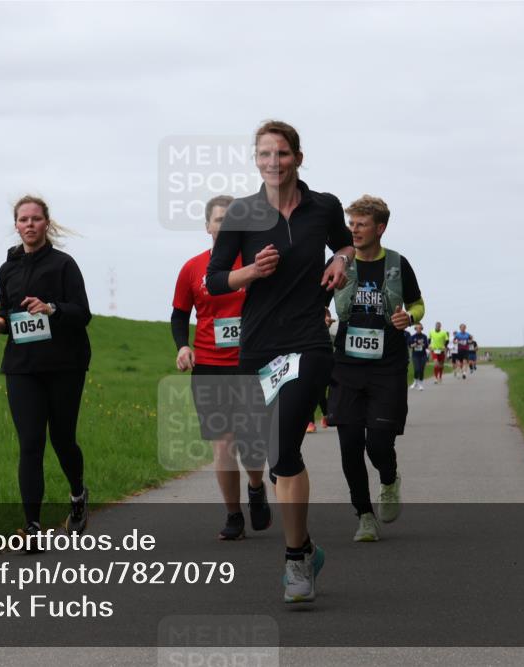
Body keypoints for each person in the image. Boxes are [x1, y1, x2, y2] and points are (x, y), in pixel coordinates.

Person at [206, 120, 353, 603]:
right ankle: (308, 547)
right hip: (259, 345)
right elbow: (214, 279)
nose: (274, 161)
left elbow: (344, 243)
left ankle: (294, 564)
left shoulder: (324, 206)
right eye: (265, 154)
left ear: (298, 157)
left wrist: (341, 261)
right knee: (274, 452)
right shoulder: (242, 214)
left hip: (309, 341)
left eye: (283, 153)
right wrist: (252, 270)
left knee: (284, 445)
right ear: (256, 160)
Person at [0, 195, 91, 551]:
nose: (29, 224)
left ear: (47, 224)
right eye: (23, 219)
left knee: (62, 440)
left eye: (36, 219)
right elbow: (6, 308)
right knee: (31, 443)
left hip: (64, 364)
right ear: (16, 225)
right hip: (22, 365)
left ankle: (77, 494)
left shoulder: (63, 265)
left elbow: (82, 313)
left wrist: (52, 308)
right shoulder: (8, 268)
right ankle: (31, 528)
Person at [171, 195, 271, 541]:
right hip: (210, 366)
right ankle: (233, 514)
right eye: (218, 220)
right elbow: (180, 314)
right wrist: (183, 345)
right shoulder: (193, 267)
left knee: (252, 442)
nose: (224, 226)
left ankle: (256, 487)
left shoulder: (256, 264)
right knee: (224, 444)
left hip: (252, 365)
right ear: (207, 226)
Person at [330, 194, 425, 543]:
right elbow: (316, 300)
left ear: (380, 228)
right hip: (345, 366)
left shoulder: (398, 263)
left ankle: (389, 478)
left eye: (361, 224)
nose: (353, 230)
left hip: (387, 367)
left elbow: (418, 303)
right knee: (350, 443)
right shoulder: (340, 262)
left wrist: (408, 317)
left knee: (379, 444)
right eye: (350, 223)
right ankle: (364, 515)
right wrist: (321, 315)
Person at [408, 323, 430, 390]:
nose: (418, 329)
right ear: (415, 329)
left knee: (421, 370)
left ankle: (420, 384)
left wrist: (422, 344)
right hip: (415, 355)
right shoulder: (412, 337)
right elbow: (410, 346)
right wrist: (416, 344)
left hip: (423, 355)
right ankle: (415, 382)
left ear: (421, 329)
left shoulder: (424, 336)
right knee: (417, 369)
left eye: (420, 328)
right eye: (417, 328)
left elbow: (426, 346)